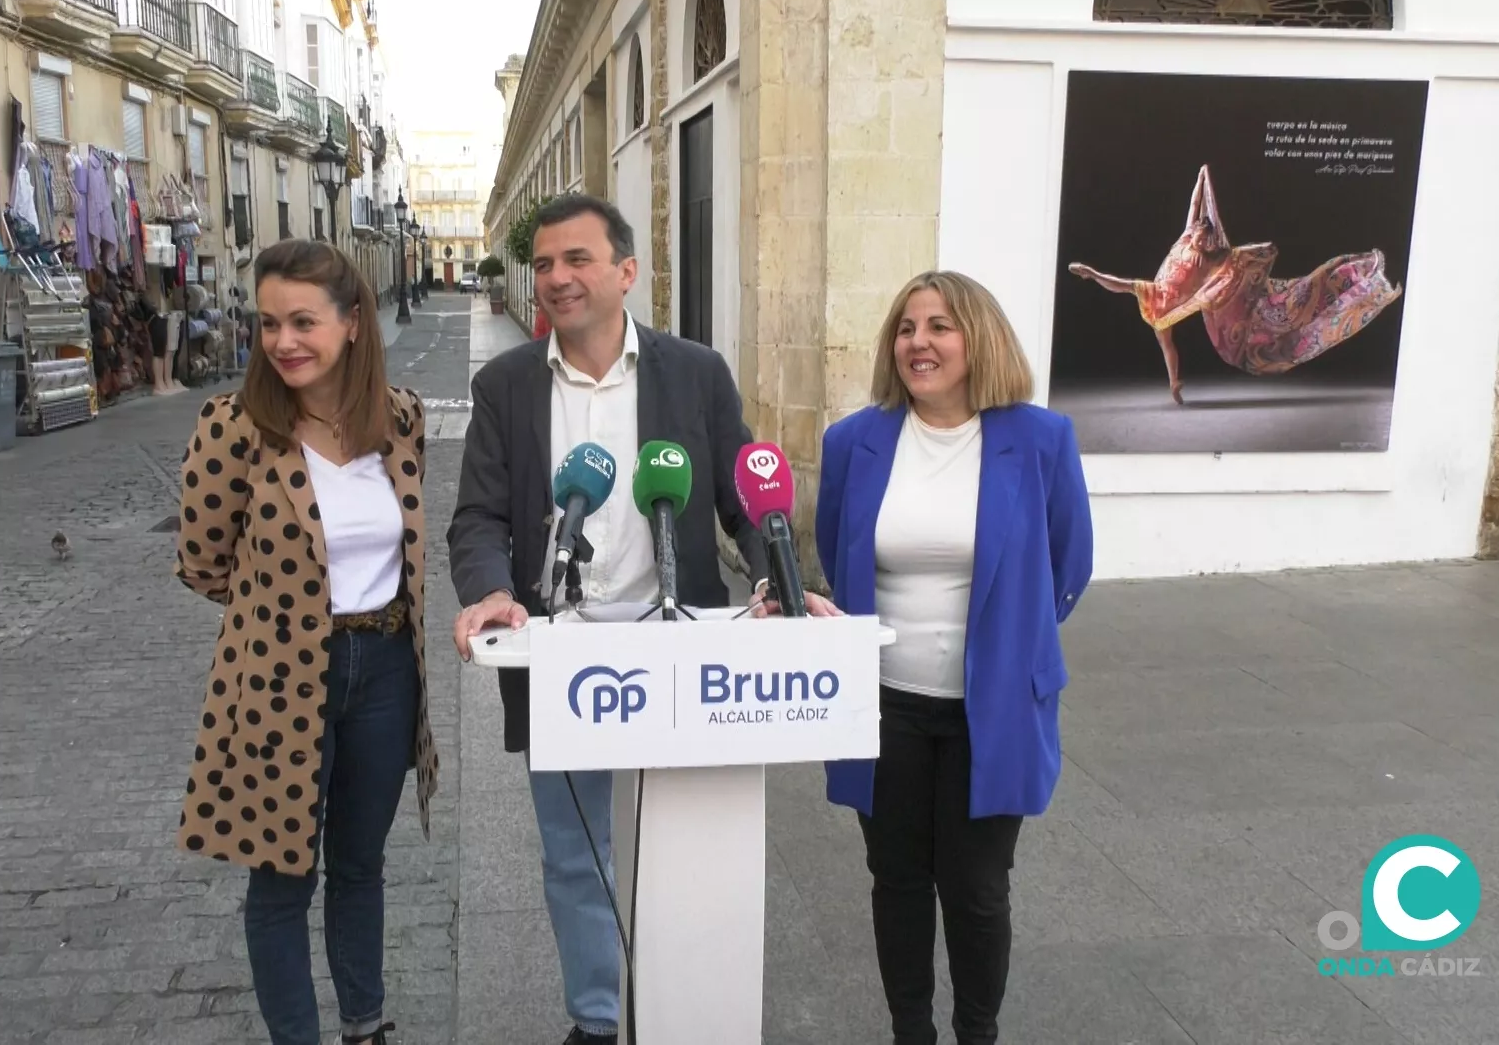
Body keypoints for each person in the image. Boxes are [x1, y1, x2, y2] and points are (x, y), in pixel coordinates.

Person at [446, 193, 816, 1044]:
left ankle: (685, 1003)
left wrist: (779, 585)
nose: (556, 279)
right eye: (542, 264)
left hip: (680, 651)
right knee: (576, 853)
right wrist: (491, 589)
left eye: (576, 260)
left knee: (682, 848)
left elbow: (743, 503)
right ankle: (598, 1017)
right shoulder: (504, 386)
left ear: (625, 272)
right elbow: (476, 519)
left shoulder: (696, 373)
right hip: (559, 655)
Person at [815, 271, 1094, 1045]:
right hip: (884, 701)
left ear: (979, 338)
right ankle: (912, 1031)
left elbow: (1069, 563)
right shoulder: (853, 442)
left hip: (995, 707)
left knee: (976, 889)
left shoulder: (1039, 440)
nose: (918, 343)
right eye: (906, 328)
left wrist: (1015, 637)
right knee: (897, 881)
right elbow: (842, 560)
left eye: (940, 326)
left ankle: (978, 1033)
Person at [173, 239, 439, 1045]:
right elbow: (201, 563)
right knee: (283, 877)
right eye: (268, 323)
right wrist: (280, 607)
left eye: (303, 322)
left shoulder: (399, 418)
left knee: (360, 864)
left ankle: (365, 1022)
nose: (283, 341)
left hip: (387, 668)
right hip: (283, 677)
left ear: (352, 324)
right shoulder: (234, 429)